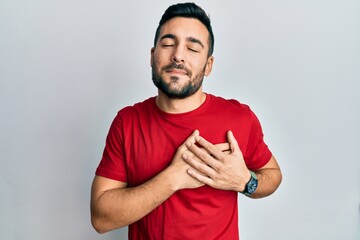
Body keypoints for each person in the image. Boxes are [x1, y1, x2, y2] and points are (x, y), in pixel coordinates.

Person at [90, 2, 282, 239]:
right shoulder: (128, 122)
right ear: (152, 56)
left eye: (192, 48)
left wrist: (245, 181)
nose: (178, 55)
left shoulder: (238, 117)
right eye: (168, 44)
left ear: (208, 65)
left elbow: (273, 175)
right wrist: (172, 179)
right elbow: (100, 218)